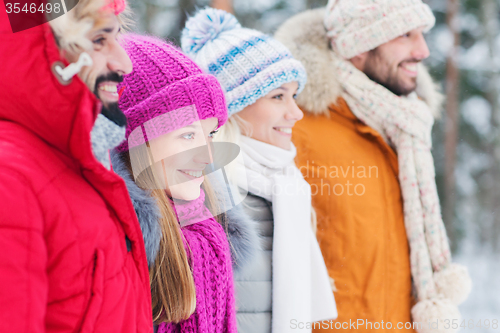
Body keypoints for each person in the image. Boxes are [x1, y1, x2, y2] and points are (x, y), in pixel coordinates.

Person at [274, 1, 472, 332]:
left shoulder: (407, 128)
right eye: (405, 35)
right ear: (357, 45)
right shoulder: (294, 131)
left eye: (422, 34)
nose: (423, 51)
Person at [0, 0, 154, 332]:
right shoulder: (11, 179)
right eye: (99, 40)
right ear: (49, 53)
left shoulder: (84, 167)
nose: (123, 62)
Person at [181, 8, 337, 333]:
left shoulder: (286, 183)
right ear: (231, 106)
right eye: (278, 96)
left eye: (294, 96)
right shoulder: (200, 189)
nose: (296, 113)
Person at [110, 34, 251, 333]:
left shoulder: (210, 239)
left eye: (210, 134)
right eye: (187, 135)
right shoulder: (109, 254)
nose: (208, 156)